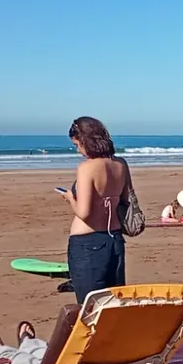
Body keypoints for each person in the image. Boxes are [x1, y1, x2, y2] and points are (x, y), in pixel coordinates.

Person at [63, 116, 131, 303]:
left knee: (89, 305)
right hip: (114, 238)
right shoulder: (120, 164)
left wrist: (70, 198)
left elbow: (84, 212)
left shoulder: (88, 167)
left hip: (88, 240)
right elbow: (125, 200)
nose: (78, 150)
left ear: (85, 140)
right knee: (113, 304)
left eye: (77, 145)